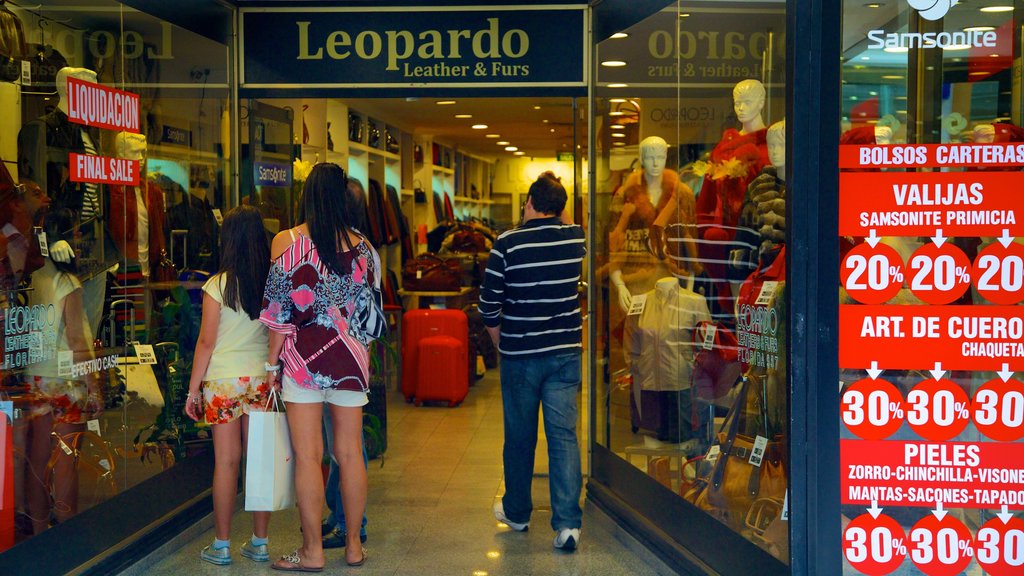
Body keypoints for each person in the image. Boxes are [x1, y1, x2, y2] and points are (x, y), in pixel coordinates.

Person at [260, 162, 377, 570]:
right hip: (350, 361)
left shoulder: (287, 242)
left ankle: (312, 552)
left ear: (307, 195)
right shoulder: (364, 247)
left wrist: (270, 366)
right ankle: (354, 549)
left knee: (309, 456)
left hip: (302, 364)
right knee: (350, 455)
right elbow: (369, 313)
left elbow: (277, 313)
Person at [479, 172, 586, 551]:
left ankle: (519, 513)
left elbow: (488, 305)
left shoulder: (507, 243)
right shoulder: (577, 238)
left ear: (528, 203)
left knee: (520, 437)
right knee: (564, 437)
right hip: (565, 354)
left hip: (520, 356)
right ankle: (568, 524)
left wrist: (500, 342)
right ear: (561, 208)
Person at [184, 205, 272, 566]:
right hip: (260, 381)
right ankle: (260, 542)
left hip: (222, 382)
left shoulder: (216, 285)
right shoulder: (269, 284)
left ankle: (221, 545)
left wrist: (192, 391)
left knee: (226, 463)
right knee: (259, 463)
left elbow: (206, 343)